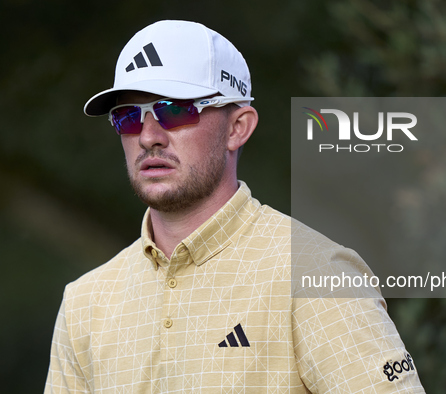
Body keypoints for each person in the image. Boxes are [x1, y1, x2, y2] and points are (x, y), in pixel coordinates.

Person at [45, 20, 425, 393]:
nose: (148, 136)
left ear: (237, 127)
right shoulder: (86, 302)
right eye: (128, 117)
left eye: (175, 111)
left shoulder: (316, 275)